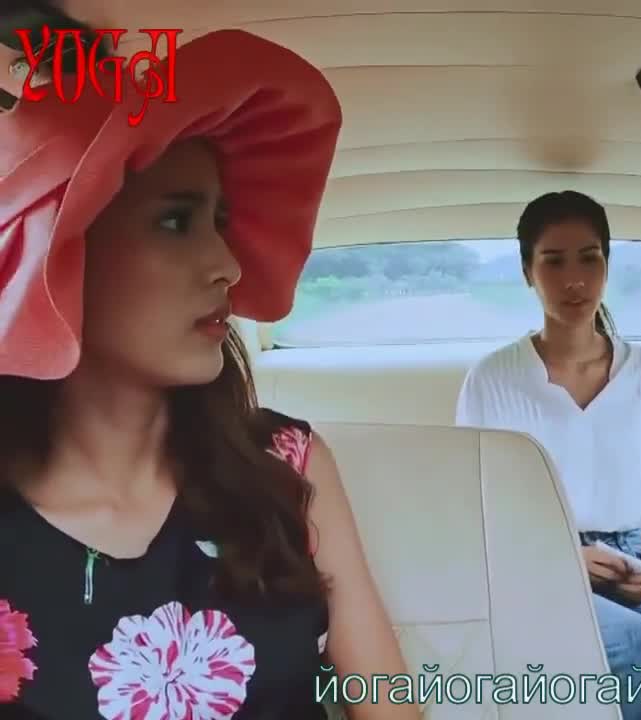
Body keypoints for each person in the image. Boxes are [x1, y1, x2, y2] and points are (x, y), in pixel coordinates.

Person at [0, 30, 417, 719]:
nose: (229, 263)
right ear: (61, 252)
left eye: (219, 221)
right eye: (175, 222)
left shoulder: (287, 466)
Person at [455, 190, 641, 719]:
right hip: (540, 568)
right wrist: (563, 558)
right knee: (639, 645)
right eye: (554, 261)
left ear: (607, 265)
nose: (574, 279)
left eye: (589, 259)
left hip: (634, 562)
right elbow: (476, 511)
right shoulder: (492, 379)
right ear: (527, 272)